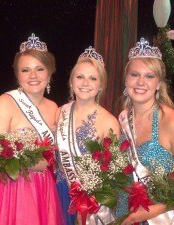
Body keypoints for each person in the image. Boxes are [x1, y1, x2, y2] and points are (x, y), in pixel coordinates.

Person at [0, 34, 64, 225]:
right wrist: (32, 164)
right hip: (10, 191)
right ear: (17, 74)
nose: (33, 76)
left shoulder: (54, 108)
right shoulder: (3, 104)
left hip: (44, 190)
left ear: (50, 73)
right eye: (26, 70)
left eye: (40, 69)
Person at [118, 38, 174, 225]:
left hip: (160, 217)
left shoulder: (171, 122)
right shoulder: (124, 118)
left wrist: (153, 210)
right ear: (126, 79)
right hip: (126, 211)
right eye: (134, 74)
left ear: (159, 84)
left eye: (149, 76)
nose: (141, 82)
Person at [55, 46, 121, 225]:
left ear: (101, 85)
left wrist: (88, 203)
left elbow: (112, 172)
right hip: (58, 193)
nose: (85, 83)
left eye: (93, 78)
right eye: (80, 77)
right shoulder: (60, 112)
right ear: (71, 81)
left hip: (90, 200)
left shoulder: (109, 122)